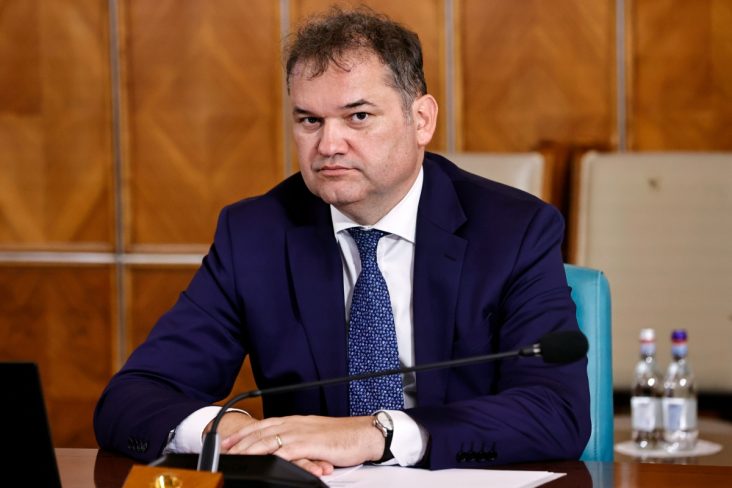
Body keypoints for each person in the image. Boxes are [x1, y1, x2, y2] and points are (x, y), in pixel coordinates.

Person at [94, 7, 590, 475]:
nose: (328, 145)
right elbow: (133, 397)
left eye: (358, 117)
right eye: (309, 120)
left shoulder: (513, 230)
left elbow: (556, 412)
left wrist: (377, 434)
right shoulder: (255, 235)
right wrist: (232, 432)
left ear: (421, 120)